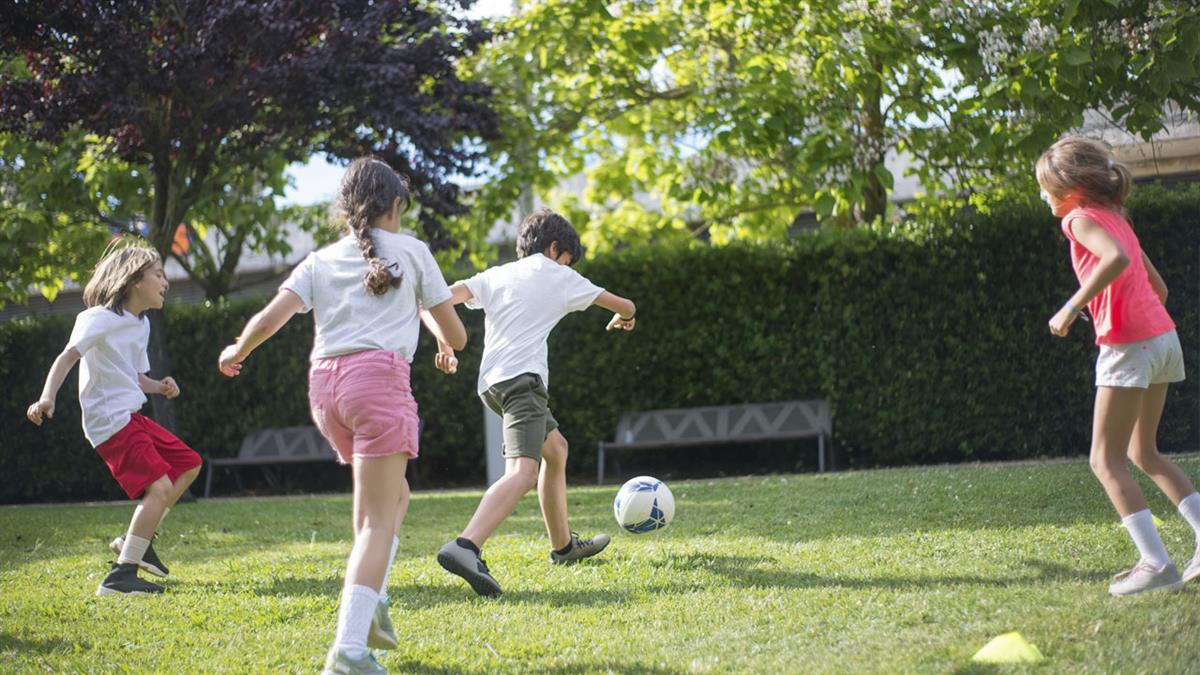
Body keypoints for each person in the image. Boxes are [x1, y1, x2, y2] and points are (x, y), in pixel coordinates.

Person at [218, 158, 466, 674]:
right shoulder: (414, 251)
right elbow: (458, 335)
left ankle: (370, 603)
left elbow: (271, 317)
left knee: (391, 497)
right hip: (377, 384)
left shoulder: (321, 259)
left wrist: (237, 350)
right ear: (395, 205)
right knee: (379, 521)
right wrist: (445, 337)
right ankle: (349, 650)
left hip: (326, 389)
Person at [431, 207, 636, 597]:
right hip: (523, 383)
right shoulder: (559, 274)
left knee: (556, 449)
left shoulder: (497, 274)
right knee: (523, 472)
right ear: (555, 248)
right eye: (566, 259)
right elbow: (625, 305)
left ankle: (563, 547)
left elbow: (443, 299)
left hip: (492, 384)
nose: (566, 266)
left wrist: (444, 342)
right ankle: (466, 546)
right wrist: (624, 319)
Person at [1038, 137, 1200, 596]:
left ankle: (1156, 564)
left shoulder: (1079, 219)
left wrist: (1072, 307)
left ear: (1070, 188)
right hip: (1163, 338)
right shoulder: (1117, 219)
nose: (1045, 197)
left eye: (1046, 187)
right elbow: (1160, 290)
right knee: (1143, 454)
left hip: (1129, 345)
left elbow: (1115, 260)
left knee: (1104, 460)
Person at [26, 242, 202, 596]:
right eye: (159, 274)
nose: (166, 282)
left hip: (130, 414)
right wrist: (47, 397)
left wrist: (159, 386)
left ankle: (135, 541)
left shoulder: (142, 324)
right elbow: (67, 357)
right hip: (109, 421)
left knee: (188, 463)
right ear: (134, 280)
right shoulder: (97, 318)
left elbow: (134, 377)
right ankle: (120, 578)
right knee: (160, 487)